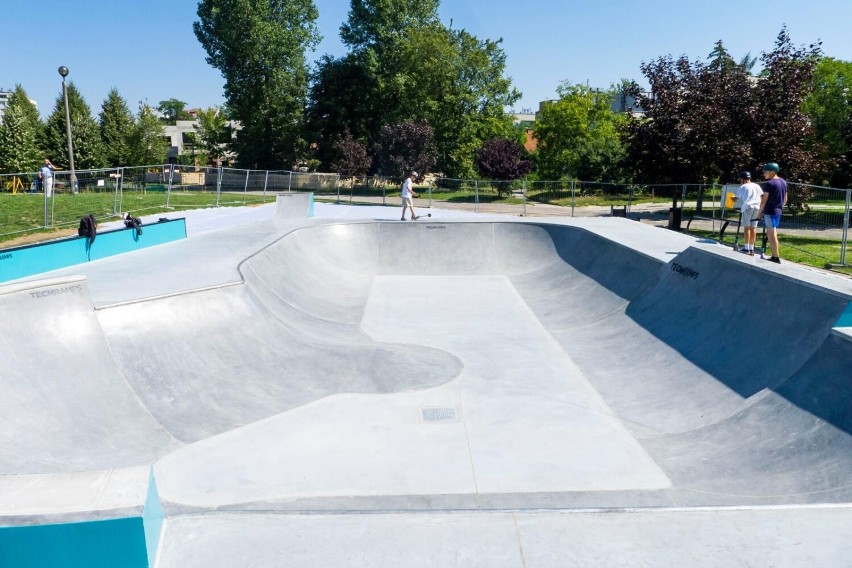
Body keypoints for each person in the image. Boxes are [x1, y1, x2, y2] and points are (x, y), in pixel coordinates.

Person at [756, 162, 788, 264]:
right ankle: (774, 255)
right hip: (777, 211)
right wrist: (779, 207)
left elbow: (764, 200)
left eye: (766, 171)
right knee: (772, 232)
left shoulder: (770, 184)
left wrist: (759, 212)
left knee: (771, 234)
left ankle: (775, 257)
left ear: (772, 172)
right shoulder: (783, 182)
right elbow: (785, 199)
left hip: (770, 211)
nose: (764, 173)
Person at [734, 171, 763, 256]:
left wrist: (731, 197)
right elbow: (761, 197)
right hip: (757, 207)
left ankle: (746, 248)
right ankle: (752, 248)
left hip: (747, 207)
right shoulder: (757, 186)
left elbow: (735, 199)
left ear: (742, 179)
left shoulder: (743, 187)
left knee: (747, 228)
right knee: (753, 228)